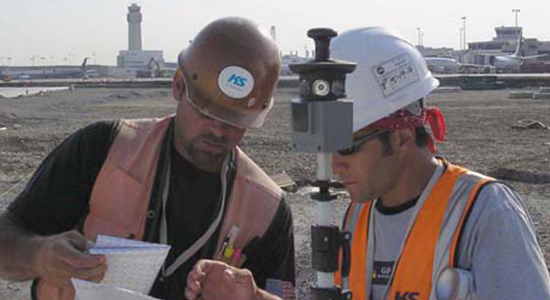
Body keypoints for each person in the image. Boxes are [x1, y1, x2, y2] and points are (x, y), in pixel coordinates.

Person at [184, 27, 550, 300]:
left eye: (345, 148)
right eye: (322, 150)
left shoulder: (484, 213)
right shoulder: (358, 217)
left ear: (403, 137)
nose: (332, 167)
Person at [0, 17, 295, 300]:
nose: (218, 130)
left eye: (234, 119)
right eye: (205, 112)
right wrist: (38, 256)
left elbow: (283, 294)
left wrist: (255, 297)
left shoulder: (268, 209)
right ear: (178, 86)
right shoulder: (102, 148)